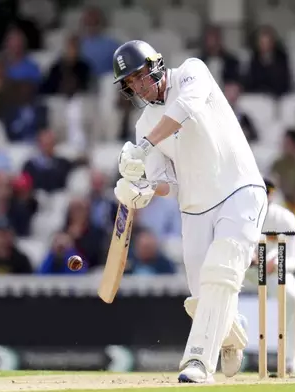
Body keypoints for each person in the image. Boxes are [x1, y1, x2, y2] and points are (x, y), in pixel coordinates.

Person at [111, 40, 267, 383]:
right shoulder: (143, 127)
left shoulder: (192, 73)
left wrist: (144, 147)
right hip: (195, 209)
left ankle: (197, 363)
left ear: (155, 65)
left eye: (139, 76)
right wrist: (141, 190)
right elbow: (169, 184)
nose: (137, 86)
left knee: (221, 271)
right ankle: (231, 332)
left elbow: (186, 109)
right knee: (201, 299)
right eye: (130, 83)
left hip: (240, 190)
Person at [244, 178, 295, 375]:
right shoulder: (240, 213)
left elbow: (294, 258)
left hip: (272, 273)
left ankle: (290, 359)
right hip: (244, 271)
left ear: (271, 194)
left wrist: (276, 263)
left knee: (292, 297)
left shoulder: (284, 217)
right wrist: (245, 257)